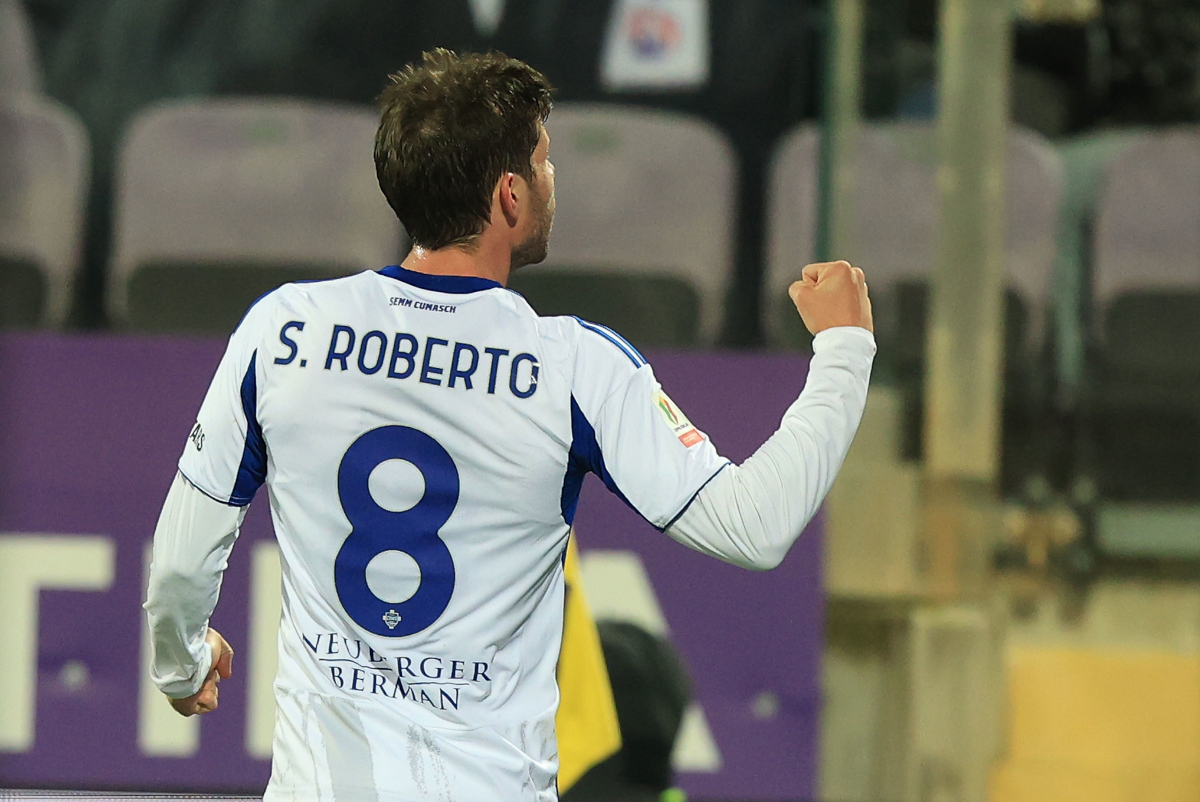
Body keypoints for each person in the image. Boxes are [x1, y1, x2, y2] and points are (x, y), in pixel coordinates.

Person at [143, 49, 875, 801]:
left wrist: (182, 664)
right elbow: (755, 525)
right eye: (546, 162)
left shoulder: (283, 331)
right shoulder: (573, 368)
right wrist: (845, 350)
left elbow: (179, 563)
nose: (555, 181)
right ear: (510, 196)